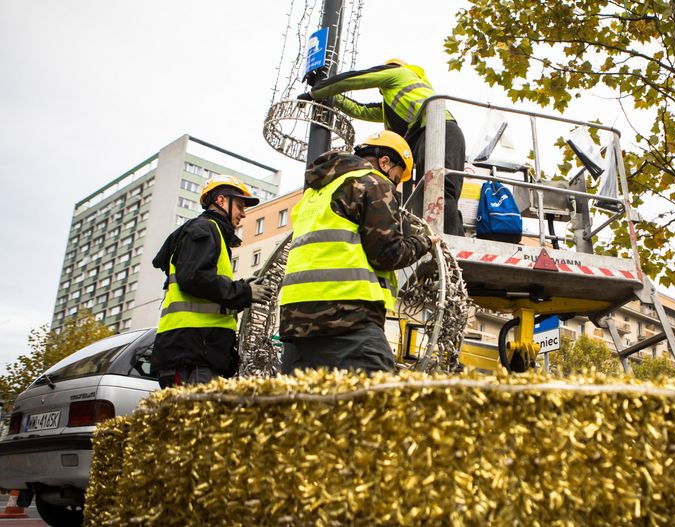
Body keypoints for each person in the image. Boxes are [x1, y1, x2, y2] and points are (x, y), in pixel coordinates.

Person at [278, 130, 436, 373]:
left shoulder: (315, 193)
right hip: (347, 316)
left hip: (300, 320)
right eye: (395, 176)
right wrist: (423, 242)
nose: (394, 184)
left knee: (315, 404)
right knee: (376, 398)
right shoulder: (373, 183)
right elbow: (387, 254)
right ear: (384, 162)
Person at [301, 59, 466, 236]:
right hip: (426, 139)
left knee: (441, 190)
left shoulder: (400, 73)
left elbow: (358, 79)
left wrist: (317, 91)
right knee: (429, 197)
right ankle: (448, 242)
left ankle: (447, 243)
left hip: (441, 130)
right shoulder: (389, 106)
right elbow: (359, 109)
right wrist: (329, 94)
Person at [152, 175, 274, 387]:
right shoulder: (205, 229)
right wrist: (244, 292)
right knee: (196, 420)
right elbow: (194, 278)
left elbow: (206, 291)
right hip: (194, 353)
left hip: (196, 350)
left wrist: (243, 286)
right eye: (239, 206)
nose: (243, 214)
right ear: (221, 201)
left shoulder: (210, 232)